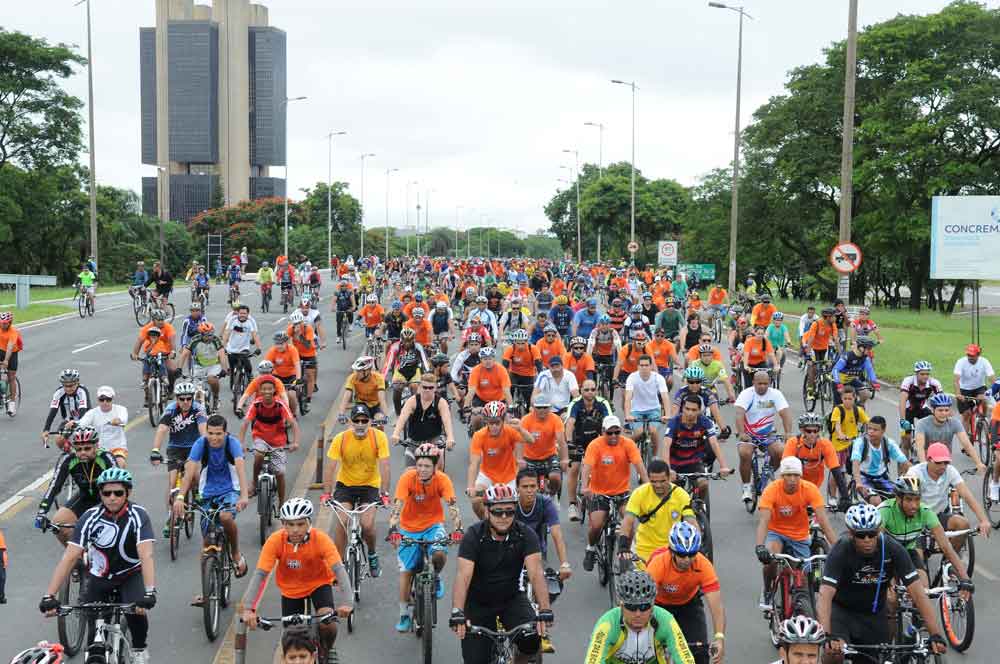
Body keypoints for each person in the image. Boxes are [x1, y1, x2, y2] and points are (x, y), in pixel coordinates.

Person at [39, 468, 157, 664]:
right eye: (106, 493)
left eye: (118, 493)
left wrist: (150, 592)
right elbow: (69, 558)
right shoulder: (89, 517)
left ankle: (138, 649)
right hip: (100, 578)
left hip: (130, 575)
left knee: (136, 614)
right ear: (100, 494)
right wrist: (49, 596)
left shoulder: (138, 515)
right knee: (94, 642)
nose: (112, 498)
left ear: (128, 493)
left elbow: (146, 554)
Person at [817, 503, 947, 662]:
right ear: (851, 534)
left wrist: (935, 634)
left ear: (879, 530)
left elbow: (918, 594)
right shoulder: (841, 549)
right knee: (833, 654)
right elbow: (825, 595)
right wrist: (827, 635)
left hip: (874, 614)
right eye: (861, 535)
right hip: (842, 613)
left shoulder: (893, 549)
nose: (867, 540)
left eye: (872, 534)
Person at [450, 484, 553, 664]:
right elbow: (463, 576)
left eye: (509, 511)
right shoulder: (474, 536)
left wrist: (544, 609)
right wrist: (458, 611)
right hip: (478, 603)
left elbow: (536, 573)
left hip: (511, 598)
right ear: (487, 511)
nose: (504, 517)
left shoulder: (525, 534)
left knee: (531, 640)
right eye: (498, 512)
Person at [242, 498, 353, 661]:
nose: (295, 530)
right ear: (283, 524)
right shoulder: (275, 541)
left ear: (309, 523)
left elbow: (339, 569)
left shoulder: (321, 539)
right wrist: (248, 608)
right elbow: (260, 575)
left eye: (300, 524)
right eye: (290, 524)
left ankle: (327, 651)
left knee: (328, 622)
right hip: (291, 590)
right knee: (291, 638)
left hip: (318, 584)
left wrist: (348, 602)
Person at [173, 414, 251, 603]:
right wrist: (181, 497)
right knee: (207, 547)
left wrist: (244, 495)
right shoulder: (201, 443)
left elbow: (240, 467)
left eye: (218, 434)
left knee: (225, 517)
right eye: (211, 433)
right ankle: (207, 592)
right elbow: (190, 470)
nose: (214, 438)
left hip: (230, 490)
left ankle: (235, 553)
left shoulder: (232, 444)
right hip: (208, 492)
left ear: (225, 432)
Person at [388, 443, 462, 631]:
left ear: (435, 467)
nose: (422, 469)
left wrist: (458, 529)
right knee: (406, 572)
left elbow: (452, 505)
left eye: (427, 466)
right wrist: (393, 529)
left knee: (439, 554)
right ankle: (404, 614)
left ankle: (435, 577)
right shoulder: (407, 478)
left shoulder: (443, 480)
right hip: (407, 528)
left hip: (433, 526)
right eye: (419, 465)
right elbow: (398, 505)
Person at [755, 457, 837, 605]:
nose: (792, 479)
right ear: (782, 476)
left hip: (800, 536)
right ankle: (767, 590)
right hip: (777, 533)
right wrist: (760, 546)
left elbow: (824, 521)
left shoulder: (809, 489)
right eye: (788, 475)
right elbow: (764, 521)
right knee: (770, 562)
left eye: (796, 475)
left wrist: (836, 547)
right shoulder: (771, 490)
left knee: (804, 577)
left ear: (800, 476)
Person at [322, 404, 390, 576]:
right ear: (351, 422)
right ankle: (338, 566)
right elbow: (330, 467)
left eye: (364, 420)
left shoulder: (379, 437)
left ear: (370, 422)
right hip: (346, 486)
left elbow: (385, 466)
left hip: (369, 486)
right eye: (357, 421)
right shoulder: (341, 438)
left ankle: (372, 554)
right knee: (342, 521)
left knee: (367, 525)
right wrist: (327, 493)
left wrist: (385, 494)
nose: (360, 424)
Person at [645, 522, 725, 664]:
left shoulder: (703, 565)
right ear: (672, 551)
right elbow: (645, 603)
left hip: (688, 604)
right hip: (658, 605)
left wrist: (719, 638)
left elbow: (716, 607)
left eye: (692, 554)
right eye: (682, 554)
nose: (687, 560)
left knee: (700, 655)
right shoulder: (658, 564)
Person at [878, 475, 973, 592]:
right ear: (898, 499)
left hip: (908, 551)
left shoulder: (925, 512)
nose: (914, 505)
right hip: (887, 555)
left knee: (924, 591)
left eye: (917, 499)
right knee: (891, 599)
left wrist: (965, 578)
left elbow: (946, 547)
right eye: (909, 499)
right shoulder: (884, 511)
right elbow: (876, 546)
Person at [584, 569, 695, 664]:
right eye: (631, 607)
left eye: (644, 607)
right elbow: (592, 660)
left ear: (652, 606)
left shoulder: (665, 619)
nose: (638, 614)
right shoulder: (607, 623)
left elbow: (685, 658)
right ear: (621, 606)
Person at [582, 415, 649, 572]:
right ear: (603, 432)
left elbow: (640, 466)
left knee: (629, 523)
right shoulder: (595, 445)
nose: (613, 436)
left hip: (622, 493)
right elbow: (586, 468)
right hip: (599, 493)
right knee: (597, 525)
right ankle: (591, 548)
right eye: (609, 433)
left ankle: (626, 552)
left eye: (617, 432)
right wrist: (585, 487)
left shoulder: (628, 444)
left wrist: (648, 486)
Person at [35, 426, 117, 545]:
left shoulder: (105, 457)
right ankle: (77, 558)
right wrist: (42, 511)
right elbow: (54, 486)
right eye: (78, 449)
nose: (83, 452)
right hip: (85, 497)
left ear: (96, 446)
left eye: (87, 448)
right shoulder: (69, 459)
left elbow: (119, 485)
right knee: (58, 523)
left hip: (106, 499)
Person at [150, 381, 208, 536]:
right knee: (172, 482)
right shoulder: (170, 410)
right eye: (182, 399)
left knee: (193, 473)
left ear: (192, 398)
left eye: (189, 398)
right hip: (175, 448)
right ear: (177, 399)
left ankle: (195, 491)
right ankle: (171, 517)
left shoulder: (198, 409)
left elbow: (203, 430)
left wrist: (207, 447)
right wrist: (155, 450)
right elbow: (162, 429)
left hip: (193, 447)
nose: (185, 402)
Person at [908, 443, 991, 547]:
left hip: (938, 515)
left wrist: (984, 520)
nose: (943, 466)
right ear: (928, 460)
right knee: (918, 559)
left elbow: (967, 495)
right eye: (938, 462)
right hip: (917, 517)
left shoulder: (950, 470)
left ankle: (949, 559)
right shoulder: (914, 473)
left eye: (946, 462)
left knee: (963, 524)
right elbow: (908, 502)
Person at [618, 459, 697, 565]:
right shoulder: (639, 493)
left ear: (669, 478)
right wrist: (623, 546)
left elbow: (691, 522)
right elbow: (628, 520)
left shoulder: (681, 495)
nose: (658, 485)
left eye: (662, 481)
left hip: (673, 549)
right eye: (653, 482)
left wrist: (696, 546)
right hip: (645, 551)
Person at [240, 376, 301, 509]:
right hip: (260, 438)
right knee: (258, 455)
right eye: (264, 389)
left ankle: (281, 501)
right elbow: (245, 423)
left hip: (278, 442)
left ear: (274, 390)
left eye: (270, 389)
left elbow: (293, 423)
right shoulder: (256, 404)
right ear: (260, 391)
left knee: (280, 473)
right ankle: (255, 483)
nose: (267, 392)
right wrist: (241, 443)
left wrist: (295, 442)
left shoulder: (280, 404)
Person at [466, 401, 532, 519]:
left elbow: (531, 440)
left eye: (497, 423)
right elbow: (474, 464)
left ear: (503, 420)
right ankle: (486, 523)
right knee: (476, 501)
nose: (494, 427)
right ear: (486, 422)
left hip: (508, 476)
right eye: (490, 423)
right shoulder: (479, 435)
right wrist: (471, 486)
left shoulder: (510, 431)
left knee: (513, 508)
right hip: (487, 475)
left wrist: (521, 429)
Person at [735, 370, 794, 503]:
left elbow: (785, 414)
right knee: (745, 453)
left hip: (768, 433)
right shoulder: (746, 394)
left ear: (770, 383)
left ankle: (767, 474)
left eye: (765, 384)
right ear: (753, 383)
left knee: (781, 451)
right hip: (748, 434)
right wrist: (741, 433)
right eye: (759, 383)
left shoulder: (775, 394)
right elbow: (739, 414)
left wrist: (788, 432)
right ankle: (746, 487)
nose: (762, 386)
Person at [565, 379, 614, 522]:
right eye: (586, 390)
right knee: (574, 468)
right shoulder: (575, 404)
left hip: (597, 441)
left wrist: (611, 441)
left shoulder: (603, 403)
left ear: (596, 390)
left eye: (593, 389)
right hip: (578, 440)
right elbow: (570, 423)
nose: (590, 392)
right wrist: (569, 443)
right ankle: (572, 504)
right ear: (581, 391)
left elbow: (609, 421)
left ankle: (606, 497)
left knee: (605, 466)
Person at [781, 412, 850, 507]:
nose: (812, 434)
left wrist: (845, 497)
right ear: (802, 430)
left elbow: (836, 472)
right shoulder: (793, 443)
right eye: (809, 431)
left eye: (816, 431)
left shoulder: (825, 445)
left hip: (815, 483)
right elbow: (786, 469)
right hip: (795, 482)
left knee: (815, 513)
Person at [664, 394, 731, 488]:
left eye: (694, 410)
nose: (690, 413)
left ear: (699, 411)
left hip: (694, 461)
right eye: (687, 409)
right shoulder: (674, 422)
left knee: (703, 484)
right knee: (674, 492)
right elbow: (666, 445)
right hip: (675, 463)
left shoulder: (705, 422)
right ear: (682, 408)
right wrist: (668, 469)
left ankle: (700, 503)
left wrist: (723, 466)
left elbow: (714, 443)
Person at [392, 372, 456, 468]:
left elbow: (447, 421)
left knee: (438, 466)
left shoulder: (441, 402)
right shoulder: (412, 401)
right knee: (409, 473)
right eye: (424, 387)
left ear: (435, 388)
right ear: (420, 387)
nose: (427, 390)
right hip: (414, 441)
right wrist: (396, 434)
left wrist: (450, 437)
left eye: (430, 388)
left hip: (434, 440)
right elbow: (402, 418)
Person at [913, 392, 985, 472]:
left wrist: (978, 463)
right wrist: (923, 467)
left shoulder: (954, 423)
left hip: (944, 462)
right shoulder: (922, 424)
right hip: (926, 461)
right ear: (933, 410)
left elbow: (967, 444)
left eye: (946, 410)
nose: (944, 413)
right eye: (940, 410)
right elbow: (920, 448)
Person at [851, 416, 910, 505]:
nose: (870, 432)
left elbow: (905, 462)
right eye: (869, 428)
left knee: (899, 500)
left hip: (881, 478)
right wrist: (858, 483)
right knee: (876, 501)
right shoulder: (860, 442)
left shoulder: (889, 443)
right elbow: (855, 463)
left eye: (875, 430)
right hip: (863, 478)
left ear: (883, 430)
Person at [520, 395, 570, 497]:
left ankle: (552, 496)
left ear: (550, 407)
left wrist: (564, 459)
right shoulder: (525, 420)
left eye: (545, 407)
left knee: (555, 477)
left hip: (549, 456)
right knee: (524, 483)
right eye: (539, 407)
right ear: (533, 408)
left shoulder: (556, 419)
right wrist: (519, 460)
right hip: (529, 458)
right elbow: (520, 441)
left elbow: (561, 441)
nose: (542, 410)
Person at [624, 354, 671, 459]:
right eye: (641, 365)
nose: (644, 368)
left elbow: (665, 397)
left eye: (646, 365)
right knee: (639, 432)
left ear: (651, 366)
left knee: (653, 431)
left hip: (653, 410)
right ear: (638, 366)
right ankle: (625, 450)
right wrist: (627, 415)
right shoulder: (632, 377)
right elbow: (628, 398)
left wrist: (667, 415)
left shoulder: (658, 378)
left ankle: (654, 456)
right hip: (636, 411)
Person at [898, 360, 942, 458]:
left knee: (933, 425)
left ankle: (926, 450)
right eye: (922, 374)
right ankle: (904, 465)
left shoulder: (933, 383)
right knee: (906, 440)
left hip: (922, 408)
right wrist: (902, 420)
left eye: (927, 374)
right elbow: (902, 402)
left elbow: (941, 401)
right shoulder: (908, 381)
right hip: (908, 409)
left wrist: (942, 417)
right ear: (916, 374)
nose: (925, 376)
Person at [76, 385, 129, 467]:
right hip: (98, 449)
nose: (105, 402)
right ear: (98, 400)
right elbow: (81, 424)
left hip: (117, 448)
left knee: (120, 463)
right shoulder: (92, 413)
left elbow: (123, 419)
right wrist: (72, 424)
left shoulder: (121, 409)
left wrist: (118, 420)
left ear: (112, 399)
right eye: (102, 399)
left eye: (108, 400)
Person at [464, 347, 513, 432]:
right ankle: (476, 437)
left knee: (508, 421)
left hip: (499, 400)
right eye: (485, 359)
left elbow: (507, 392)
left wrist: (511, 408)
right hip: (481, 400)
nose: (488, 361)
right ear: (481, 360)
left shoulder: (501, 370)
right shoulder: (476, 371)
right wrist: (466, 407)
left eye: (490, 358)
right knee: (476, 419)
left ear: (494, 359)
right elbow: (471, 391)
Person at [953, 343, 995, 438]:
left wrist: (995, 390)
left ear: (978, 355)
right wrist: (958, 394)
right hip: (964, 389)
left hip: (979, 387)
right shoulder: (961, 362)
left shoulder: (984, 362)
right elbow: (956, 380)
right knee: (966, 414)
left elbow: (991, 378)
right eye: (968, 355)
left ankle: (982, 418)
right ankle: (965, 439)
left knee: (983, 399)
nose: (970, 357)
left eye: (972, 355)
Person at [339, 355, 390, 424]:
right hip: (361, 404)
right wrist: (341, 414)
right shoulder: (352, 377)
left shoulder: (378, 378)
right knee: (357, 422)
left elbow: (382, 399)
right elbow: (346, 396)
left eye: (359, 371)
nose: (356, 373)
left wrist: (386, 416)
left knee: (380, 421)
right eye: (356, 371)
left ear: (368, 371)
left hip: (375, 406)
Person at [222, 303, 262, 388]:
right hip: (231, 348)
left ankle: (250, 377)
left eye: (244, 313)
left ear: (248, 314)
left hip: (244, 348)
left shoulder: (251, 321)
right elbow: (227, 333)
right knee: (232, 369)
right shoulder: (232, 320)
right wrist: (223, 346)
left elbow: (255, 335)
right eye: (240, 313)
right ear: (238, 313)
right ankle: (233, 386)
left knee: (247, 364)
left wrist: (259, 348)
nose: (242, 315)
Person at [831, 336, 878, 406]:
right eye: (868, 348)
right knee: (839, 407)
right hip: (839, 381)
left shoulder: (865, 358)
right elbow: (835, 370)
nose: (870, 351)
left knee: (866, 394)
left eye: (870, 349)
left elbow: (870, 370)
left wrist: (874, 382)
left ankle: (858, 408)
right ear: (861, 347)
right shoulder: (847, 356)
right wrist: (838, 383)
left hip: (851, 380)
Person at [0, 312, 23, 415]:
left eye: (5, 323)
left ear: (10, 323)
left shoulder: (13, 332)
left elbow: (10, 346)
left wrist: (6, 360)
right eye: (1, 323)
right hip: (0, 350)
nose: (3, 325)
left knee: (11, 377)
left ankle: (12, 403)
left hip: (12, 353)